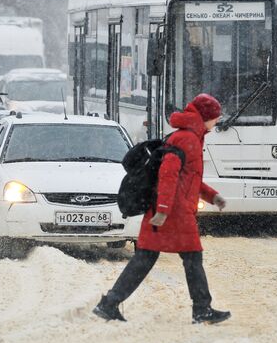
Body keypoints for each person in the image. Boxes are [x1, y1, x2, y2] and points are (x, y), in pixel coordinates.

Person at [93, 93, 231, 324]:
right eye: (216, 117)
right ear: (206, 117)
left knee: (146, 259)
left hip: (169, 211)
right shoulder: (187, 139)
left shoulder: (190, 137)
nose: (217, 121)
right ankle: (202, 310)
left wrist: (212, 196)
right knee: (191, 259)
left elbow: (189, 177)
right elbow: (168, 174)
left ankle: (109, 304)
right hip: (173, 214)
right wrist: (164, 210)